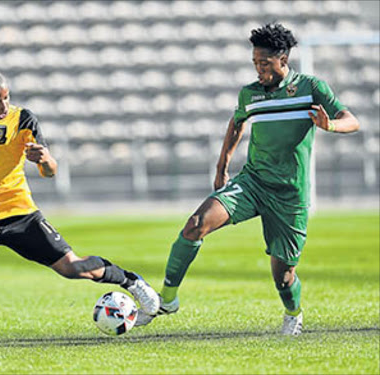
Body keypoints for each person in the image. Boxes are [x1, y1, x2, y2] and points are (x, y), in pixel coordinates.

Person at [0, 67, 160, 353]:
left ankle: (130, 281)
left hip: (19, 213)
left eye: (6, 98)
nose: (3, 106)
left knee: (73, 268)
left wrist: (46, 159)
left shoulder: (23, 119)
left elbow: (50, 171)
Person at [136, 23, 359, 335]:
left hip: (290, 195)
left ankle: (293, 313)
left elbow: (352, 121)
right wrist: (222, 165)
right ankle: (167, 300)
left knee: (283, 274)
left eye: (264, 63)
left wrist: (330, 126)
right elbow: (237, 122)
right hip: (252, 183)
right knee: (195, 225)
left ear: (283, 59)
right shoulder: (250, 93)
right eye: (255, 63)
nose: (258, 69)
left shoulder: (311, 87)